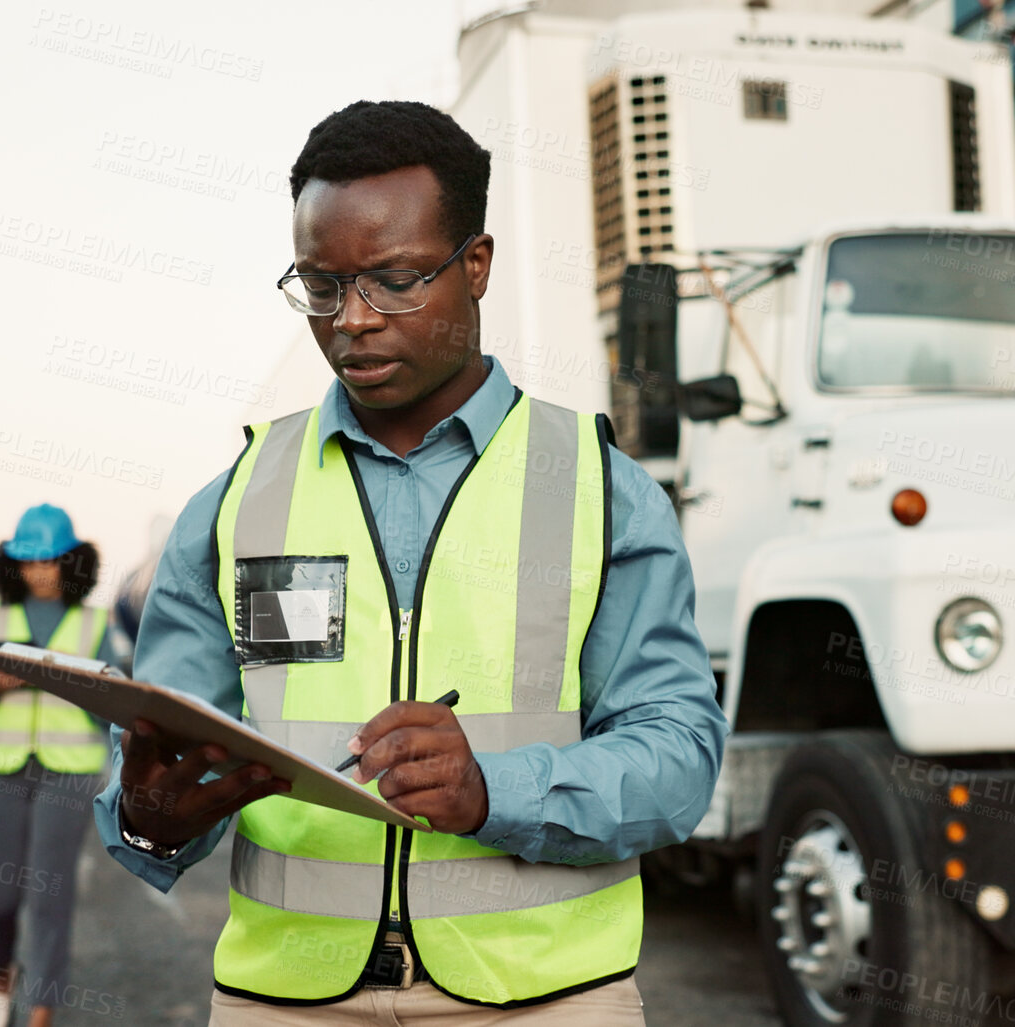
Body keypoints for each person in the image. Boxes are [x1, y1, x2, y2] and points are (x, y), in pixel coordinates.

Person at [91, 100, 728, 1025]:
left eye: (392, 281)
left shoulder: (600, 489)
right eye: (320, 284)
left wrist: (492, 791)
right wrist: (147, 815)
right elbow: (162, 757)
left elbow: (679, 758)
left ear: (475, 266)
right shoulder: (236, 501)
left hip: (545, 1000)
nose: (350, 320)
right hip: (285, 1001)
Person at [0, 503, 123, 1027]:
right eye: (28, 561)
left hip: (68, 771)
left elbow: (115, 701)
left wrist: (87, 688)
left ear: (73, 563)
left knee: (51, 890)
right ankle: (0, 974)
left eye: (50, 560)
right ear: (12, 565)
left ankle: (44, 1006)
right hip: (0, 769)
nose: (39, 571)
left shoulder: (94, 624)